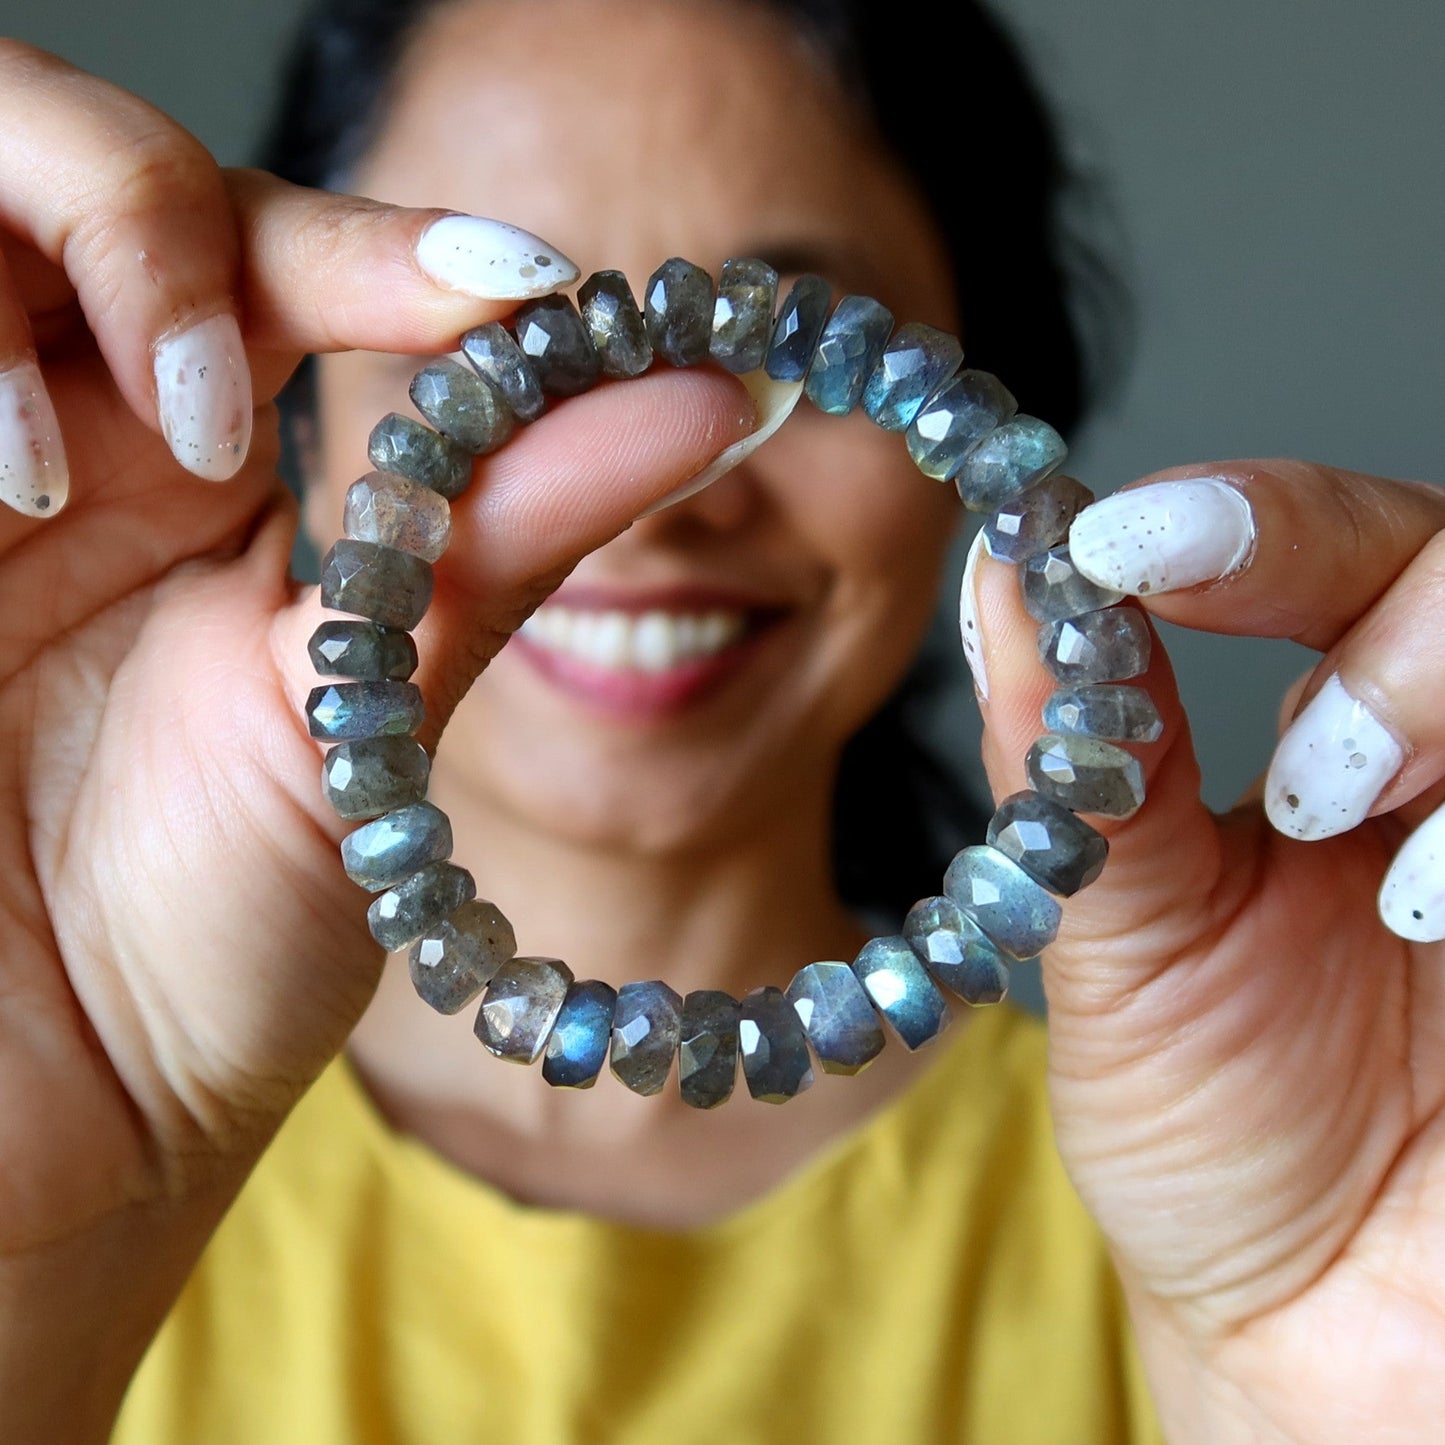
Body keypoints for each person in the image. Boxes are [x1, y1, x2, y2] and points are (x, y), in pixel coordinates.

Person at [0, 0, 1441, 1438]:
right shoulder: (81, 1111)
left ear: (982, 437)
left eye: (797, 355)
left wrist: (1322, 1370)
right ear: (301, 432)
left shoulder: (1250, 1181)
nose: (660, 496)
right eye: (508, 361)